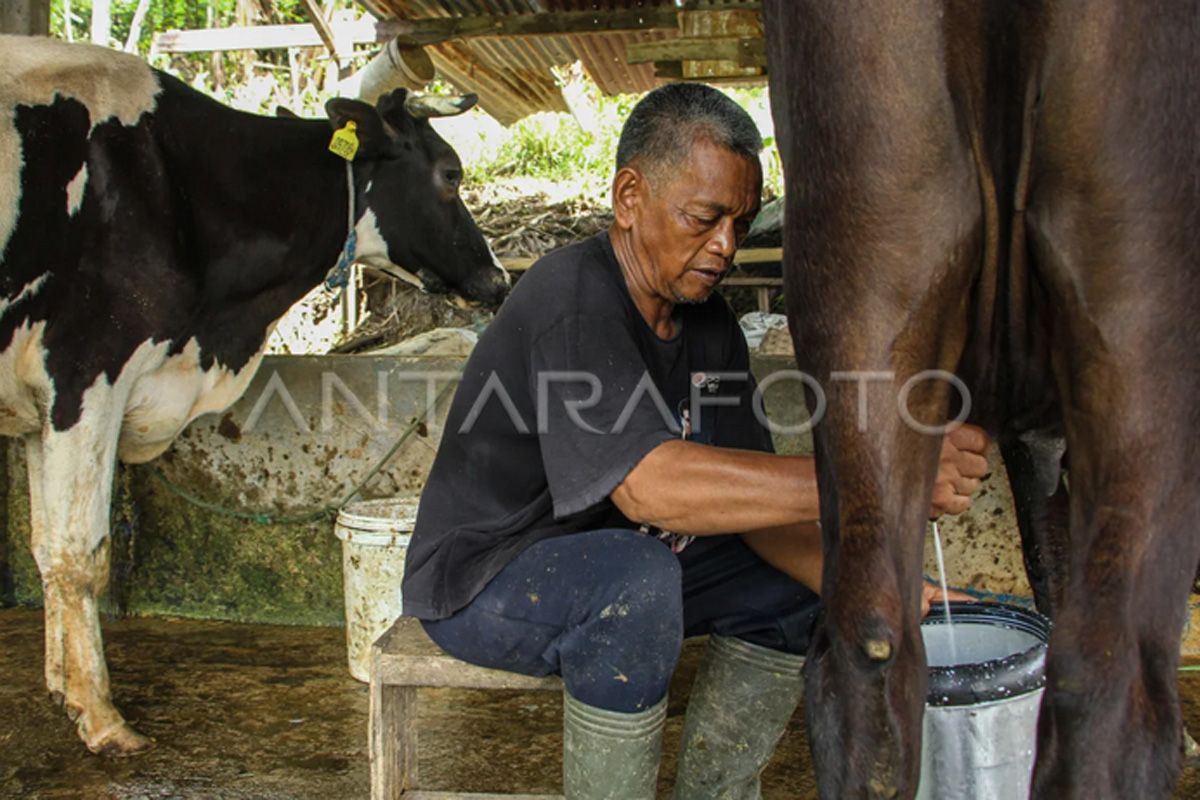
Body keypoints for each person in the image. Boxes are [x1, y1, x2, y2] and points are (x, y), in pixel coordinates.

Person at [401, 83, 988, 800]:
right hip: (486, 578)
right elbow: (650, 486)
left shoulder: (705, 320)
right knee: (634, 579)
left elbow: (756, 511)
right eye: (703, 218)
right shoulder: (570, 300)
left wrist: (876, 583)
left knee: (799, 589)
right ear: (628, 197)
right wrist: (879, 479)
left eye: (739, 224)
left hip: (625, 557)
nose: (726, 247)